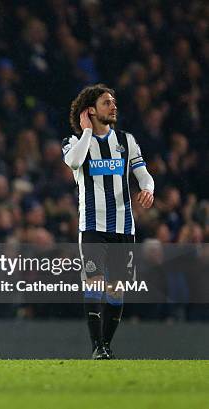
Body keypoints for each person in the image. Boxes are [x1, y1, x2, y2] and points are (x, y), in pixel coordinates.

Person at [62, 84, 154, 359]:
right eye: (106, 102)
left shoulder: (126, 141)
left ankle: (105, 345)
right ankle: (96, 348)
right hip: (92, 226)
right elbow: (75, 162)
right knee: (94, 282)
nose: (114, 106)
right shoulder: (74, 142)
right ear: (90, 110)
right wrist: (87, 130)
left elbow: (143, 173)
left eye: (113, 102)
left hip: (124, 227)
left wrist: (148, 188)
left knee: (117, 289)